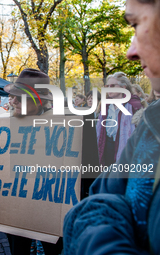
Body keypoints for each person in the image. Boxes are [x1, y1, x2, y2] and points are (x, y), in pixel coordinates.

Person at [63, 0, 160, 253]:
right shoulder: (152, 122)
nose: (131, 51)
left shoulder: (141, 115)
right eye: (107, 87)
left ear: (127, 90)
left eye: (137, 24)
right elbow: (102, 194)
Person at [4, 68, 100, 255]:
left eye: (19, 96)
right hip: (19, 206)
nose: (13, 101)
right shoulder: (9, 124)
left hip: (56, 208)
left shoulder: (76, 121)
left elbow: (90, 170)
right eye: (12, 96)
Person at [96, 72, 142, 167]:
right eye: (107, 86)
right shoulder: (106, 105)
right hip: (107, 145)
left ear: (123, 87)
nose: (109, 89)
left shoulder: (134, 105)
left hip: (126, 146)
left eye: (112, 86)